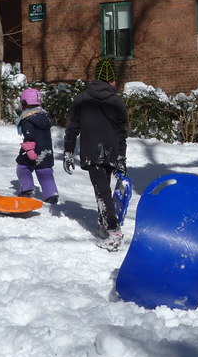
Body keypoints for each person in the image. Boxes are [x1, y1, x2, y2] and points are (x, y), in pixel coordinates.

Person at [63, 57, 129, 250]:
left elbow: (71, 129)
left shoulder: (82, 99)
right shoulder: (116, 101)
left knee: (102, 192)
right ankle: (104, 225)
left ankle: (113, 231)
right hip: (111, 152)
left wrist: (68, 151)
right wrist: (121, 157)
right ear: (112, 80)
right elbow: (121, 133)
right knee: (103, 190)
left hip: (92, 153)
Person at [15, 87, 58, 203]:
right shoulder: (44, 117)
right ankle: (51, 194)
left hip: (32, 150)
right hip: (46, 150)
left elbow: (29, 136)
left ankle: (27, 189)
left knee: (23, 168)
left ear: (24, 103)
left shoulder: (27, 119)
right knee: (45, 171)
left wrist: (29, 150)